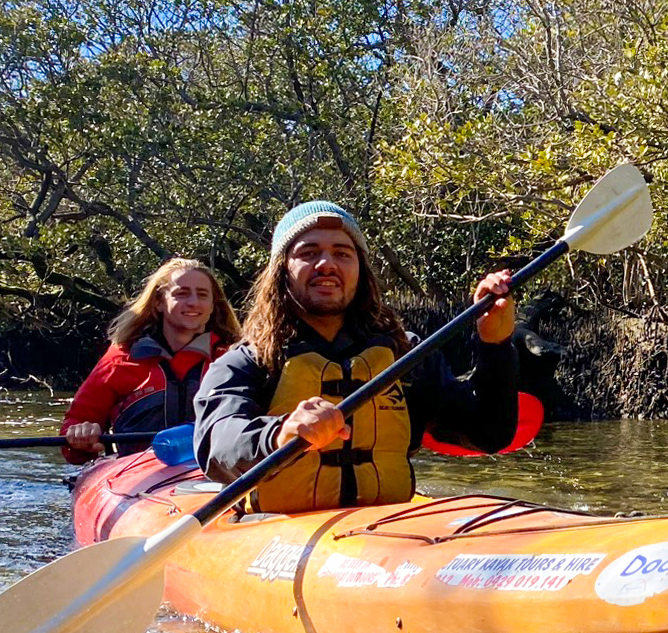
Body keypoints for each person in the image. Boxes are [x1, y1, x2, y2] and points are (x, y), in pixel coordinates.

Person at [193, 201, 517, 513]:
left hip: (385, 535)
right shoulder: (248, 361)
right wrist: (279, 434)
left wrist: (495, 344)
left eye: (342, 253)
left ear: (359, 270)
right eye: (308, 253)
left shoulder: (405, 355)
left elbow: (489, 434)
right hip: (276, 538)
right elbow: (216, 446)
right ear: (282, 271)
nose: (327, 265)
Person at [62, 259, 241, 463]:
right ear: (159, 302)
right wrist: (81, 436)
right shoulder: (120, 359)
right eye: (181, 294)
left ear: (212, 306)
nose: (193, 302)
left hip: (214, 471)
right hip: (136, 473)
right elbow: (74, 431)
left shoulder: (233, 360)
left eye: (202, 295)